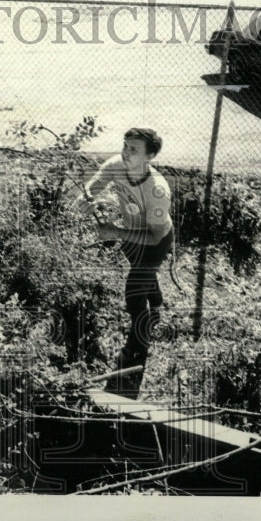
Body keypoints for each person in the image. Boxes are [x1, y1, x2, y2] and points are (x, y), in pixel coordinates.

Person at [81, 128, 174, 398]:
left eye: (134, 149)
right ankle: (156, 302)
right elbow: (94, 186)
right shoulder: (116, 165)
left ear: (151, 156)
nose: (126, 151)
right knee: (144, 275)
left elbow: (156, 236)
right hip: (131, 237)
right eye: (125, 145)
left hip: (156, 243)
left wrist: (116, 232)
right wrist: (88, 200)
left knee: (134, 294)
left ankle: (137, 345)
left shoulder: (156, 190)